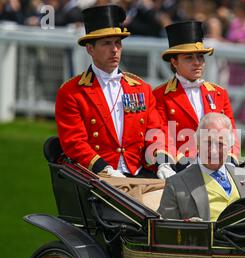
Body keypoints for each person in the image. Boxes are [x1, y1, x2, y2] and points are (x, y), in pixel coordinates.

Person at [55, 4, 171, 179]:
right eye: (106, 43)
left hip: (138, 173)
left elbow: (155, 131)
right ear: (90, 49)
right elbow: (74, 142)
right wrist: (105, 169)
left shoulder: (141, 88)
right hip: (97, 177)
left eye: (118, 43)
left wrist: (162, 161)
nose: (114, 49)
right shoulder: (72, 92)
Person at [153, 20, 240, 173]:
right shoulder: (160, 95)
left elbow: (230, 132)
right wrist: (166, 162)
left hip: (218, 166)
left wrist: (230, 160)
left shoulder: (219, 94)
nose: (197, 63)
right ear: (174, 62)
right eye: (189, 58)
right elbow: (161, 134)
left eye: (200, 57)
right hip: (181, 167)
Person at [158, 113, 245, 222]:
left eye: (220, 144)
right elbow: (165, 230)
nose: (213, 150)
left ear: (230, 146)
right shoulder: (176, 184)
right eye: (207, 142)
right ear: (197, 144)